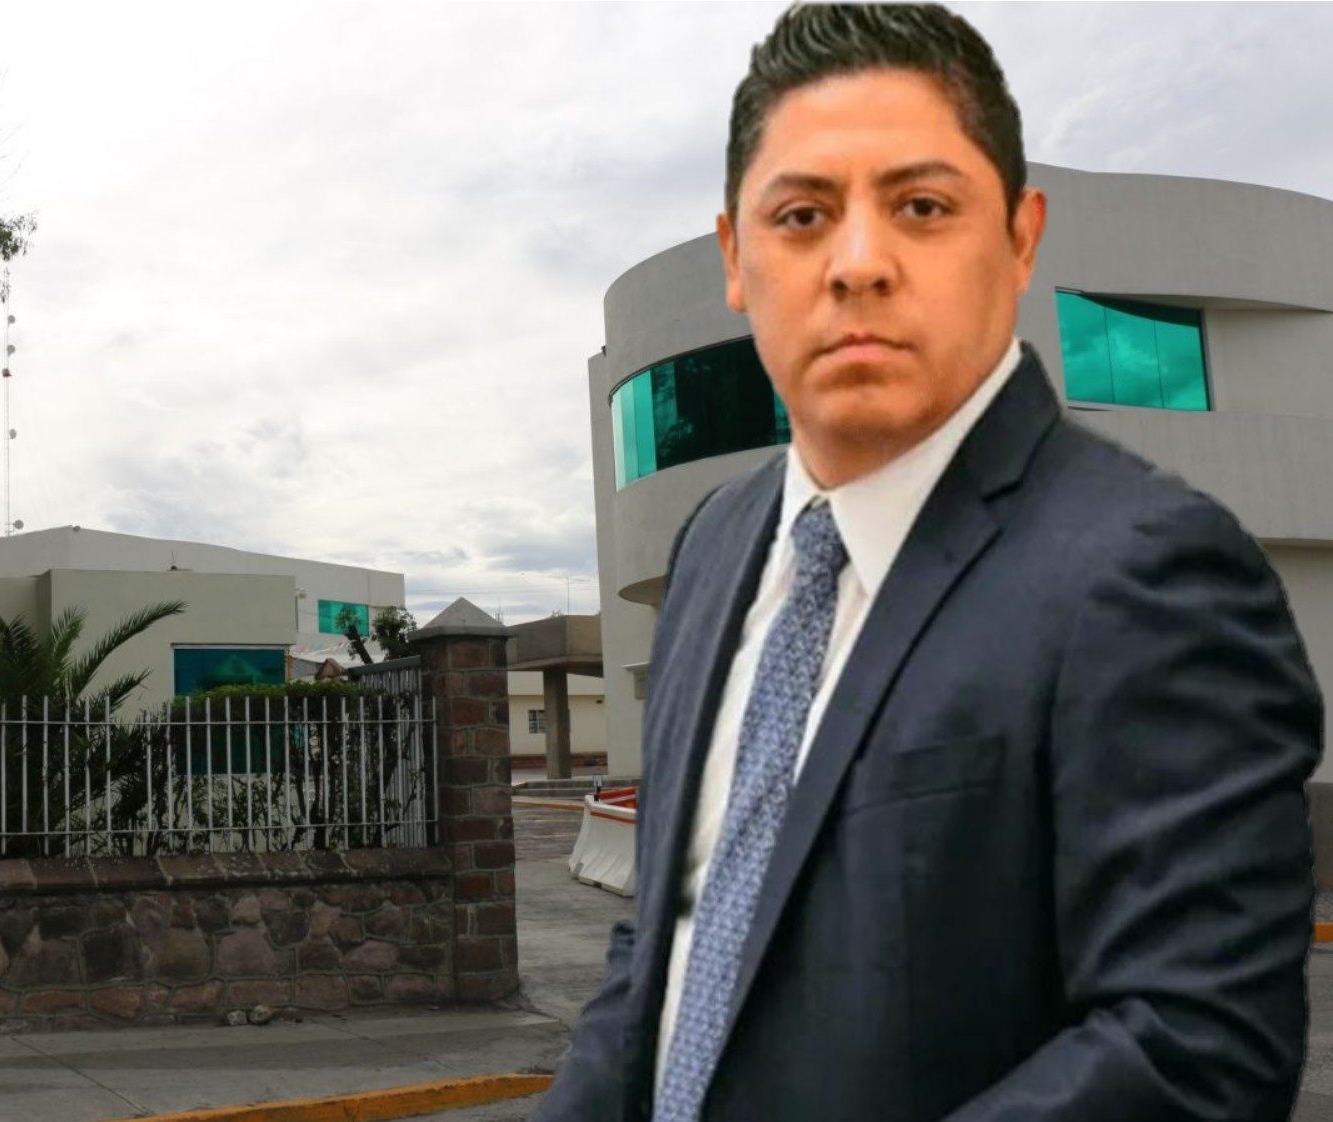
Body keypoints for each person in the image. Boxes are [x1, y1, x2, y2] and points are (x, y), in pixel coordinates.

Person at [535, 4, 1323, 1120]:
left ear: (1018, 239)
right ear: (735, 259)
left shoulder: (1153, 571)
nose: (858, 264)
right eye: (802, 215)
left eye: (920, 206)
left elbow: (1195, 1049)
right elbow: (667, 937)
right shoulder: (713, 545)